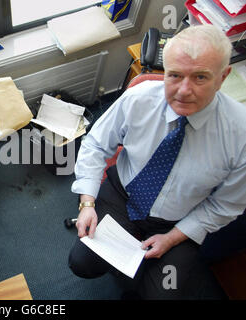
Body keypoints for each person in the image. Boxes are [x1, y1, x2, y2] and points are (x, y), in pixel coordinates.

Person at [68, 24, 246, 299]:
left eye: (200, 77)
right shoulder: (139, 98)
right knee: (81, 263)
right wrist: (87, 203)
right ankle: (127, 263)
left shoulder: (241, 134)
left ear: (223, 77)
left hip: (178, 220)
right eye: (175, 75)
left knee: (165, 293)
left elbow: (226, 204)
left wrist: (174, 237)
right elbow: (95, 144)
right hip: (122, 197)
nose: (184, 90)